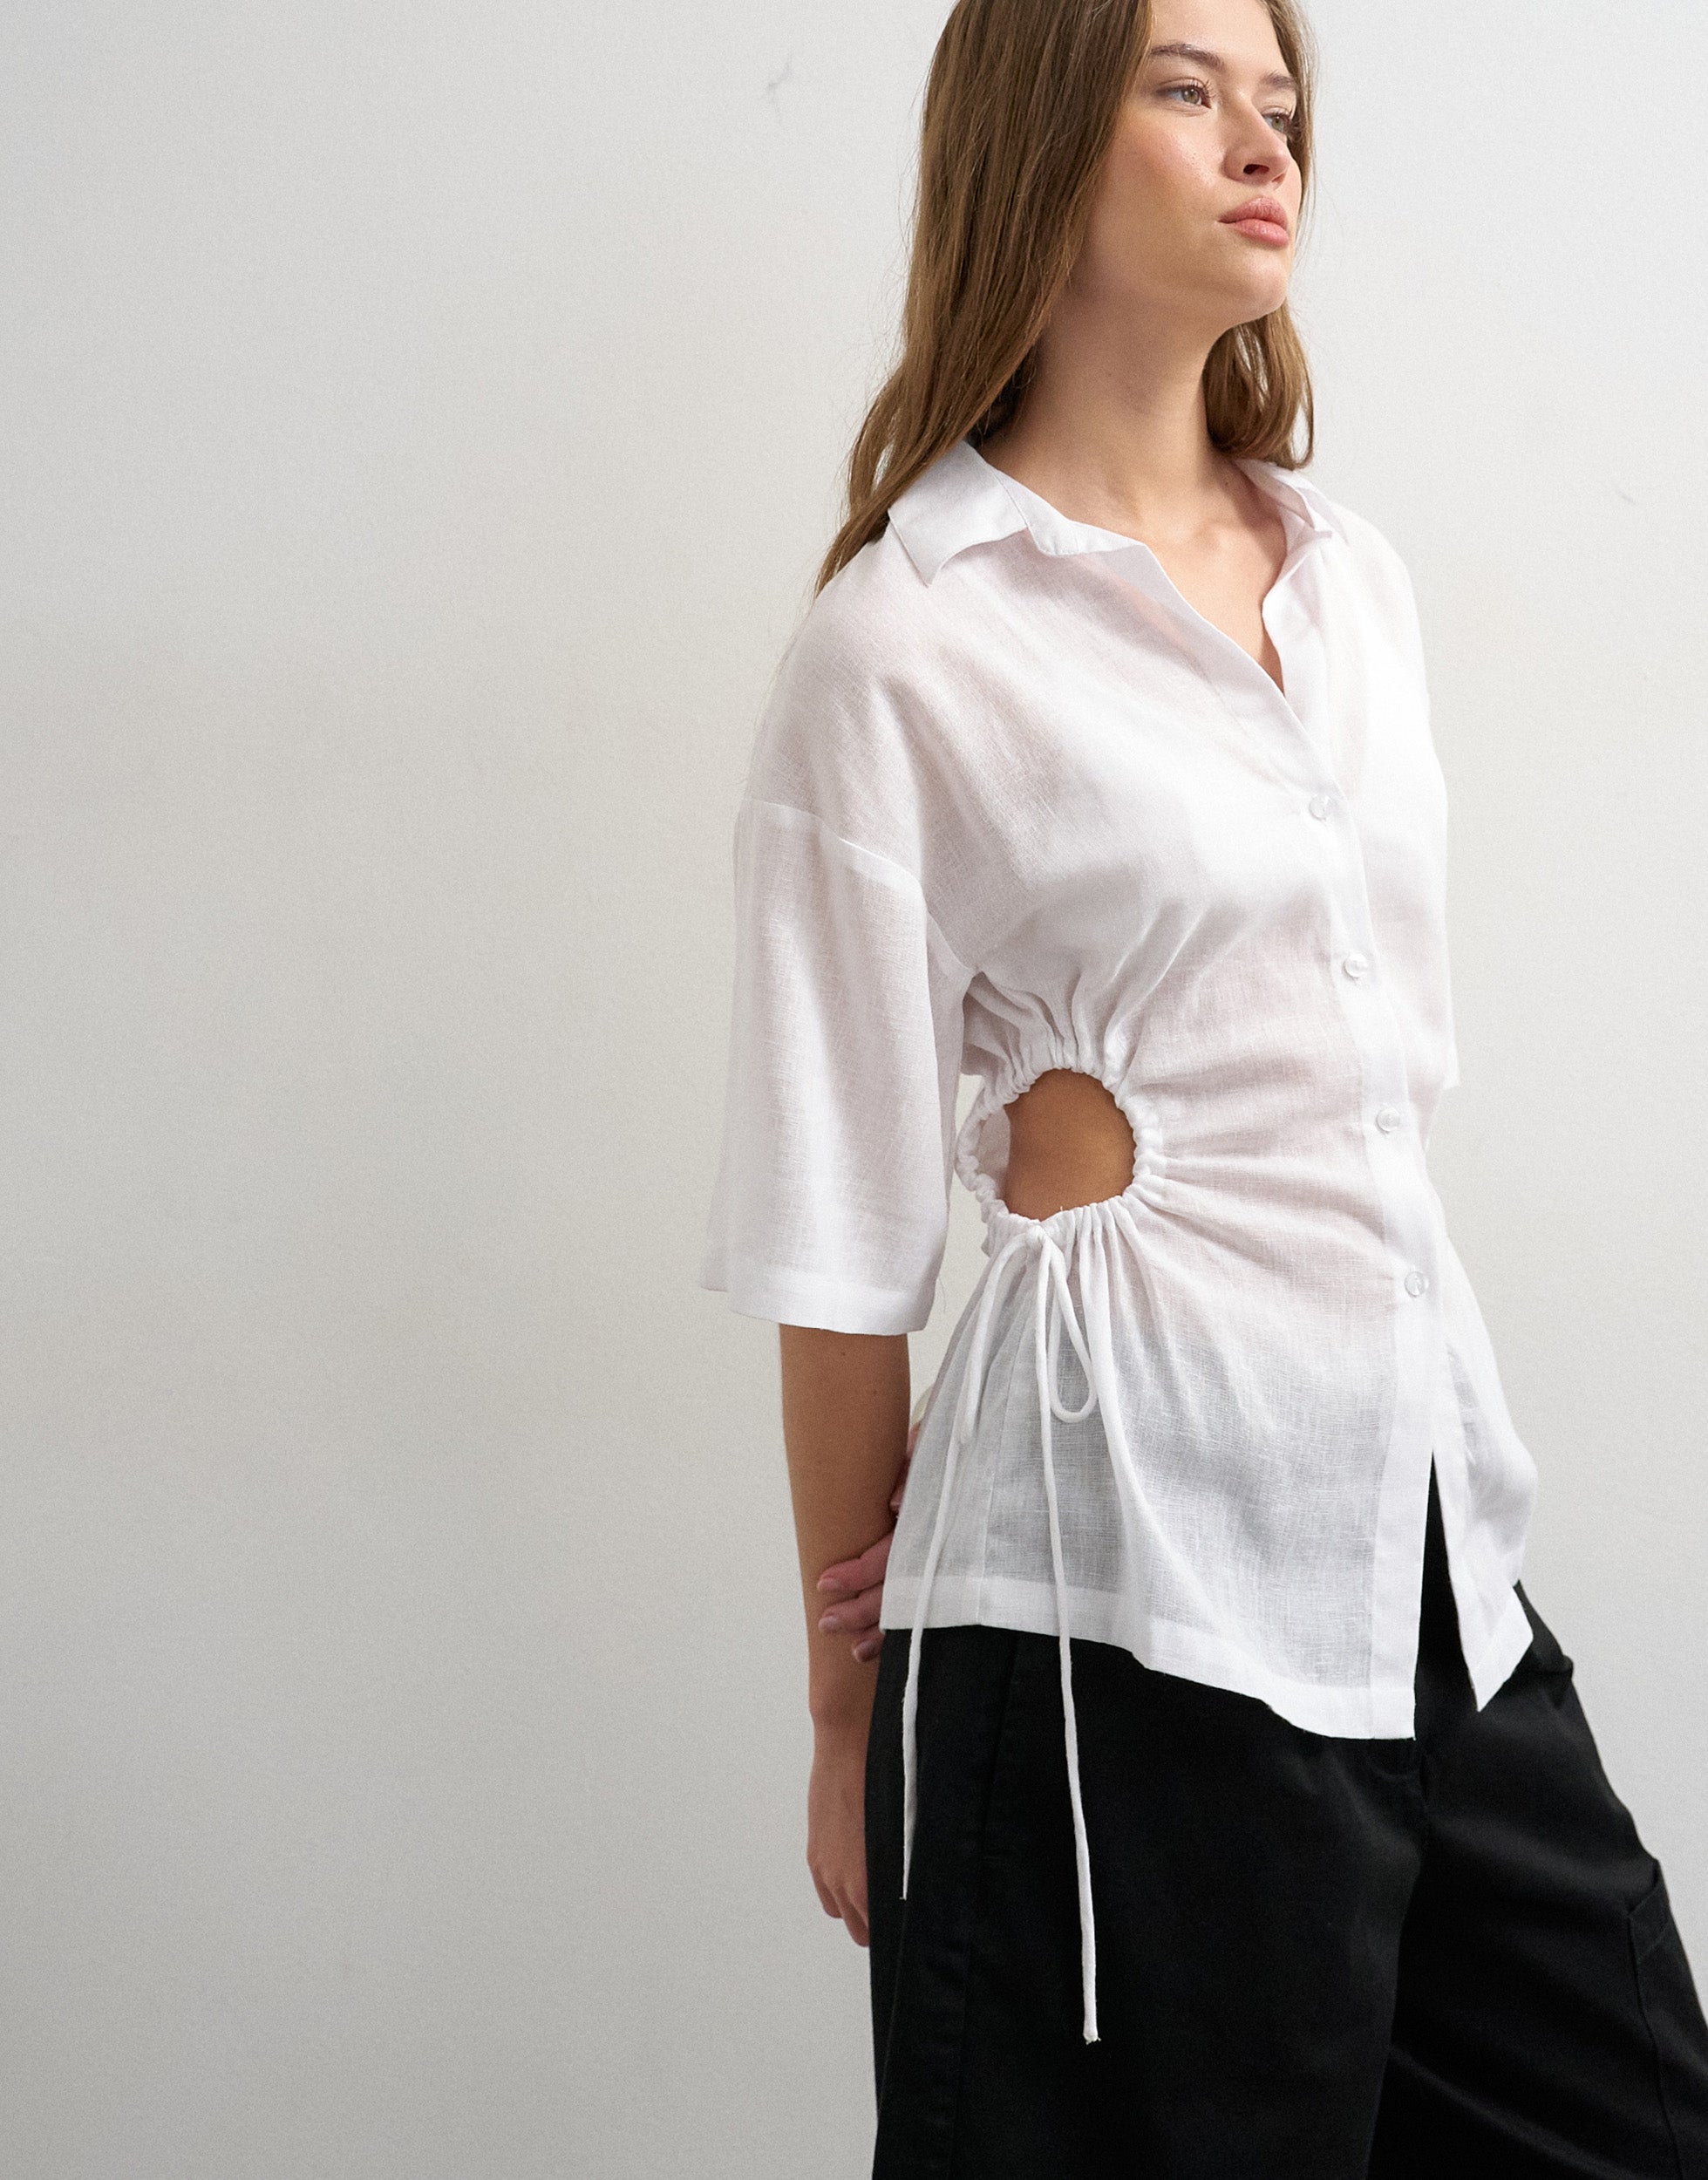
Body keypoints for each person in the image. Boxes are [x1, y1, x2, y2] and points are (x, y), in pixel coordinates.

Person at [699, 0, 1708, 2170]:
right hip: (1110, 1595)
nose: (1264, 145)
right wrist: (845, 1701)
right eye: (1185, 90)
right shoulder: (906, 637)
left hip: (1412, 1548)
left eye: (1280, 103)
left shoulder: (1348, 583)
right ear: (1038, 143)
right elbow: (837, 1229)